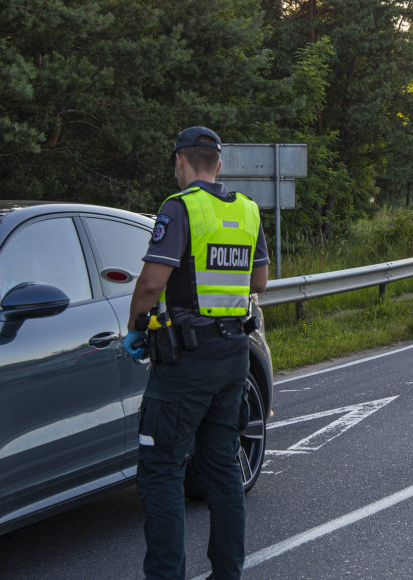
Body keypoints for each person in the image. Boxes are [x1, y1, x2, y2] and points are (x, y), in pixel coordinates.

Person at [123, 126, 270, 580]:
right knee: (222, 467)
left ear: (180, 162)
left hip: (186, 363)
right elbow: (259, 283)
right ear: (219, 164)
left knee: (162, 470)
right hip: (232, 356)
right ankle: (229, 572)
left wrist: (134, 327)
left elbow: (151, 283)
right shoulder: (247, 211)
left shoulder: (180, 208)